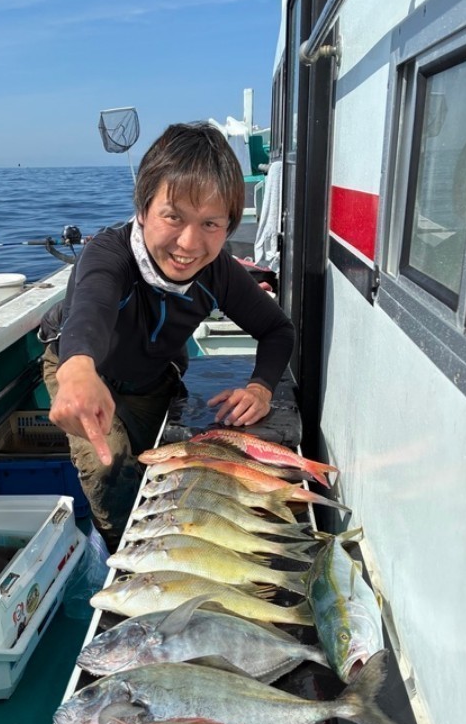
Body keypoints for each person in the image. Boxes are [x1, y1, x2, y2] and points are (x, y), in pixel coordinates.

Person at [39, 122, 295, 551]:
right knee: (108, 465)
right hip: (82, 370)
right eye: (173, 216)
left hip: (152, 376)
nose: (190, 243)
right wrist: (77, 370)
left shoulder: (220, 272)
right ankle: (122, 556)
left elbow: (277, 329)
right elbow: (90, 311)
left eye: (211, 223)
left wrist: (261, 387)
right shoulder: (108, 255)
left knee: (164, 464)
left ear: (229, 225)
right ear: (143, 210)